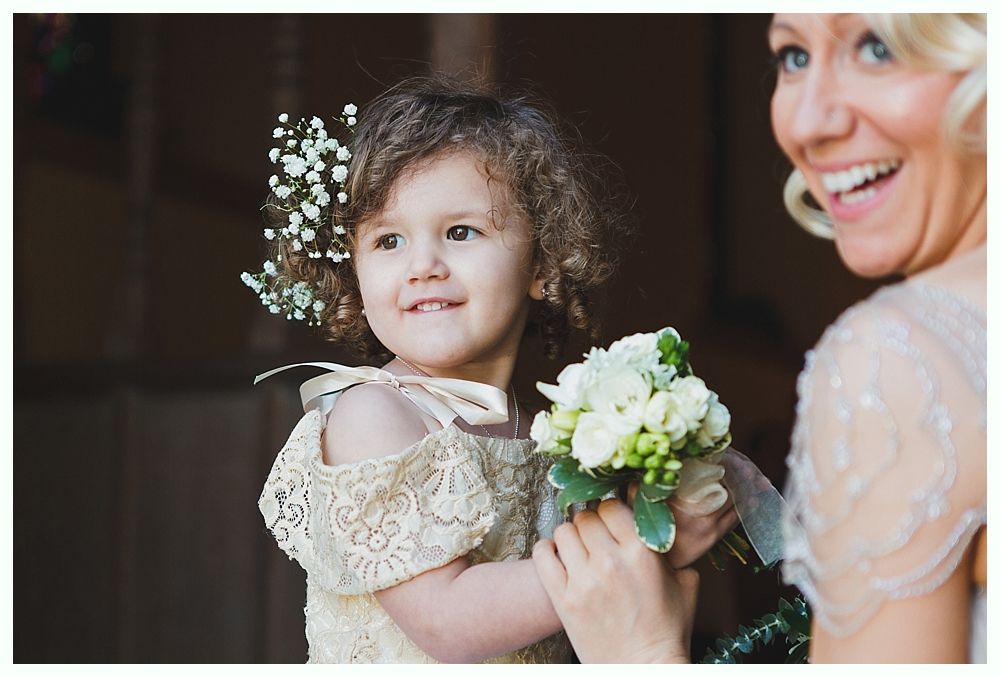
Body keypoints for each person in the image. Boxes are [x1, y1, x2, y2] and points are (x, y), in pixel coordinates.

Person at [533, 13, 986, 663]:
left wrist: (640, 653)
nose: (806, 123)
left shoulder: (900, 362)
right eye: (793, 56)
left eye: (877, 47)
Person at [252, 76, 736, 663]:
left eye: (461, 232)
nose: (423, 265)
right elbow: (446, 620)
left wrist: (669, 507)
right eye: (388, 241)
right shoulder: (375, 413)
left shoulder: (551, 439)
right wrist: (633, 548)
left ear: (542, 264)